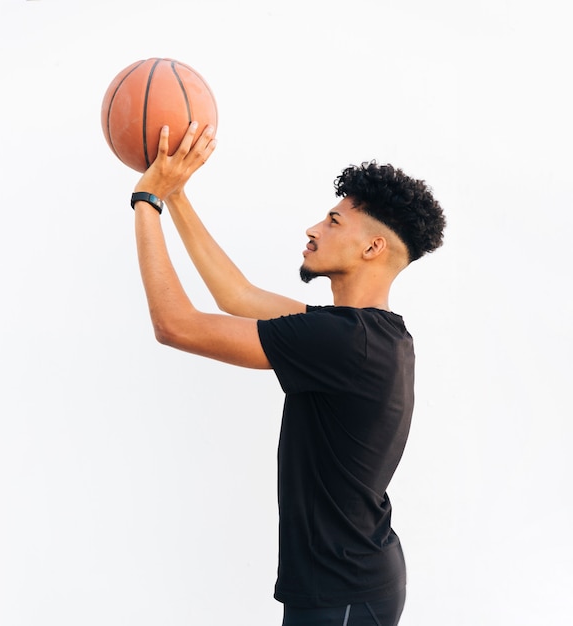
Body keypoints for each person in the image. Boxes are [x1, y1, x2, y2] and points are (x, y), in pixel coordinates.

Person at [131, 122, 446, 626]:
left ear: (372, 249)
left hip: (342, 594)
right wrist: (178, 195)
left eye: (334, 221)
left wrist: (147, 201)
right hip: (351, 582)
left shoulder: (346, 341)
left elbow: (175, 325)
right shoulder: (371, 334)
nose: (313, 229)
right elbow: (237, 297)